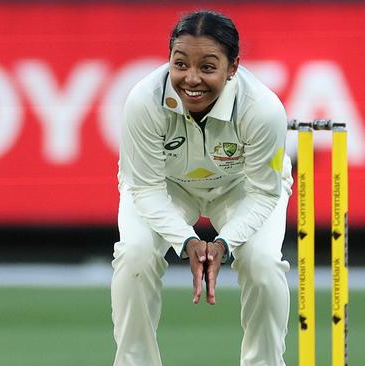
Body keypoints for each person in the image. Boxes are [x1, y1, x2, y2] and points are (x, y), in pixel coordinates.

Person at [111, 10, 293, 366]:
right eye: (180, 64)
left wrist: (223, 244)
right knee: (135, 254)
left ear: (233, 66)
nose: (191, 79)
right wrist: (187, 241)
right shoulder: (143, 101)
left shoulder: (263, 109)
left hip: (241, 188)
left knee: (263, 264)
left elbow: (264, 192)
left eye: (208, 67)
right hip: (168, 186)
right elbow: (145, 188)